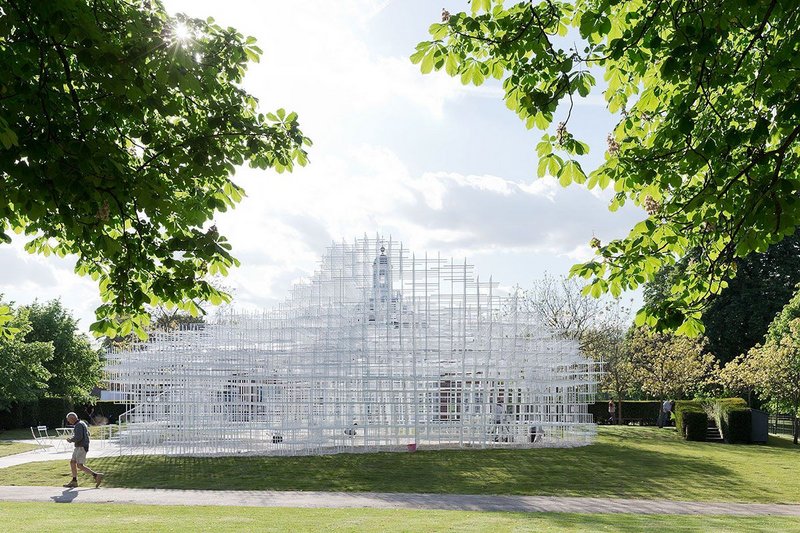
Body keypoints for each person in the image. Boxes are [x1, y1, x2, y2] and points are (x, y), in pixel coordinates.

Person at [63, 412, 103, 488]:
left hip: (81, 447)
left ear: (73, 418)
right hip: (79, 446)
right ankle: (74, 481)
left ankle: (96, 475)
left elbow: (79, 437)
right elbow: (88, 433)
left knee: (79, 465)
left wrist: (71, 440)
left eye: (69, 420)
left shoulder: (78, 425)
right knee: (72, 462)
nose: (69, 421)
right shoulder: (82, 423)